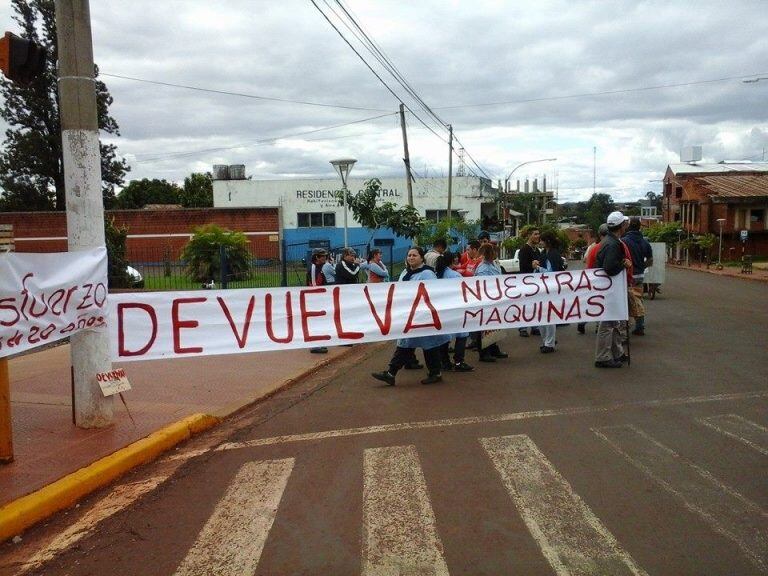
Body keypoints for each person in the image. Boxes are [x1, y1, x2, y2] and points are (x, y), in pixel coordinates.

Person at [371, 247, 450, 385]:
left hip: (423, 317)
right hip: (409, 316)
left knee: (428, 345)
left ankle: (434, 373)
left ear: (421, 258)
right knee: (405, 343)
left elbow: (433, 294)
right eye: (409, 255)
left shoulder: (427, 274)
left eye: (414, 255)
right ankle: (391, 373)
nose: (411, 258)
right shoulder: (405, 273)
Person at [594, 211, 632, 368]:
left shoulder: (608, 241)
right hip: (610, 291)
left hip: (609, 289)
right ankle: (603, 357)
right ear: (621, 226)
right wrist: (623, 264)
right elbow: (609, 268)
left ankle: (617, 352)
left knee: (614, 322)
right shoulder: (613, 244)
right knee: (608, 324)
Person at [435, 252, 474, 372]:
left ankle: (445, 362)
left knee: (444, 337)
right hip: (456, 310)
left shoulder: (437, 275)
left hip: (442, 310)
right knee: (462, 335)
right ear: (452, 260)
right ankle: (459, 362)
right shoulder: (455, 275)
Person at [474, 243, 509, 363]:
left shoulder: (494, 264)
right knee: (485, 327)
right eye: (494, 252)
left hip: (496, 299)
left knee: (494, 325)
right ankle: (484, 352)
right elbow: (483, 287)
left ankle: (494, 348)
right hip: (487, 301)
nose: (496, 254)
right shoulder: (483, 268)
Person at [622, 217, 653, 335]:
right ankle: (640, 326)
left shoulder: (623, 241)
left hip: (627, 276)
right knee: (638, 299)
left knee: (625, 301)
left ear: (629, 226)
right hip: (639, 275)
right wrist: (641, 267)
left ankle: (625, 328)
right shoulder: (645, 242)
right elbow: (650, 260)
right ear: (640, 227)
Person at [577, 224, 608, 334]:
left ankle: (583, 321)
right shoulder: (608, 247)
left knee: (591, 302)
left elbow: (585, 259)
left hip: (590, 278)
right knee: (601, 303)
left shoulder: (592, 247)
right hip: (603, 280)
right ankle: (598, 325)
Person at [538, 230, 565, 353]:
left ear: (547, 241)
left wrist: (538, 267)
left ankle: (549, 343)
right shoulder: (544, 253)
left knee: (549, 316)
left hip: (552, 288)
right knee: (541, 316)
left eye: (542, 240)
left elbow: (551, 272)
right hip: (543, 288)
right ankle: (546, 341)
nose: (540, 242)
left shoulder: (554, 254)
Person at [517, 227, 542, 338]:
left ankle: (534, 326)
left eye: (538, 234)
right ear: (529, 236)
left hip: (535, 283)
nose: (537, 236)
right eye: (535, 234)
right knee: (525, 306)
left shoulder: (536, 250)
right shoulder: (524, 249)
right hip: (526, 283)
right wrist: (531, 265)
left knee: (534, 305)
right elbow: (522, 267)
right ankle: (522, 327)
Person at [306, 249, 330, 354]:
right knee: (315, 321)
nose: (325, 258)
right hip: (315, 300)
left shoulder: (320, 268)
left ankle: (319, 342)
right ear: (317, 257)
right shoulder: (314, 268)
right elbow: (314, 285)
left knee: (320, 321)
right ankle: (314, 345)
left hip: (320, 299)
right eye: (323, 256)